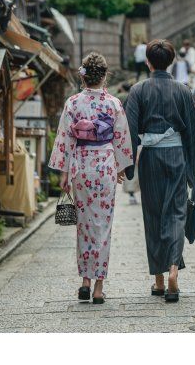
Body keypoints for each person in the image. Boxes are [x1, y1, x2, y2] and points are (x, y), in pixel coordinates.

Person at [124, 40, 195, 303]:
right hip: (175, 155)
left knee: (153, 216)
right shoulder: (183, 91)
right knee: (176, 214)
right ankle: (174, 270)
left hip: (150, 157)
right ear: (172, 61)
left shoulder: (138, 90)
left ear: (148, 62)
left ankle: (159, 281)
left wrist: (127, 165)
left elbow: (130, 130)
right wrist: (191, 164)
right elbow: (194, 130)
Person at [48, 52, 133, 304]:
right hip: (105, 164)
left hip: (81, 165)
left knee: (84, 225)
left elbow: (65, 138)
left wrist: (64, 173)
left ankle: (84, 281)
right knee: (102, 226)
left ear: (83, 76)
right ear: (105, 76)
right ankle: (98, 287)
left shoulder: (73, 103)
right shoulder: (114, 104)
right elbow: (121, 139)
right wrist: (119, 169)